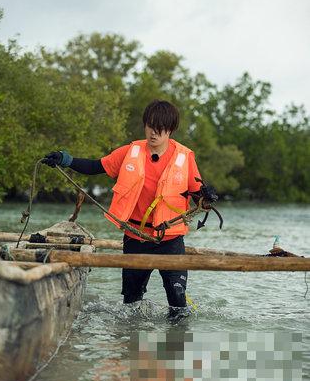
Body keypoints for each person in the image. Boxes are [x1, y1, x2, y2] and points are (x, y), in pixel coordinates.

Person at [42, 100, 217, 318]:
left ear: (170, 130)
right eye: (149, 126)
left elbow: (197, 191)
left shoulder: (185, 157)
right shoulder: (130, 152)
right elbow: (96, 166)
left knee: (178, 306)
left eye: (160, 129)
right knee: (130, 306)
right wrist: (66, 159)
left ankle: (175, 348)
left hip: (170, 239)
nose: (153, 133)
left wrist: (207, 194)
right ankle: (131, 349)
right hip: (136, 237)